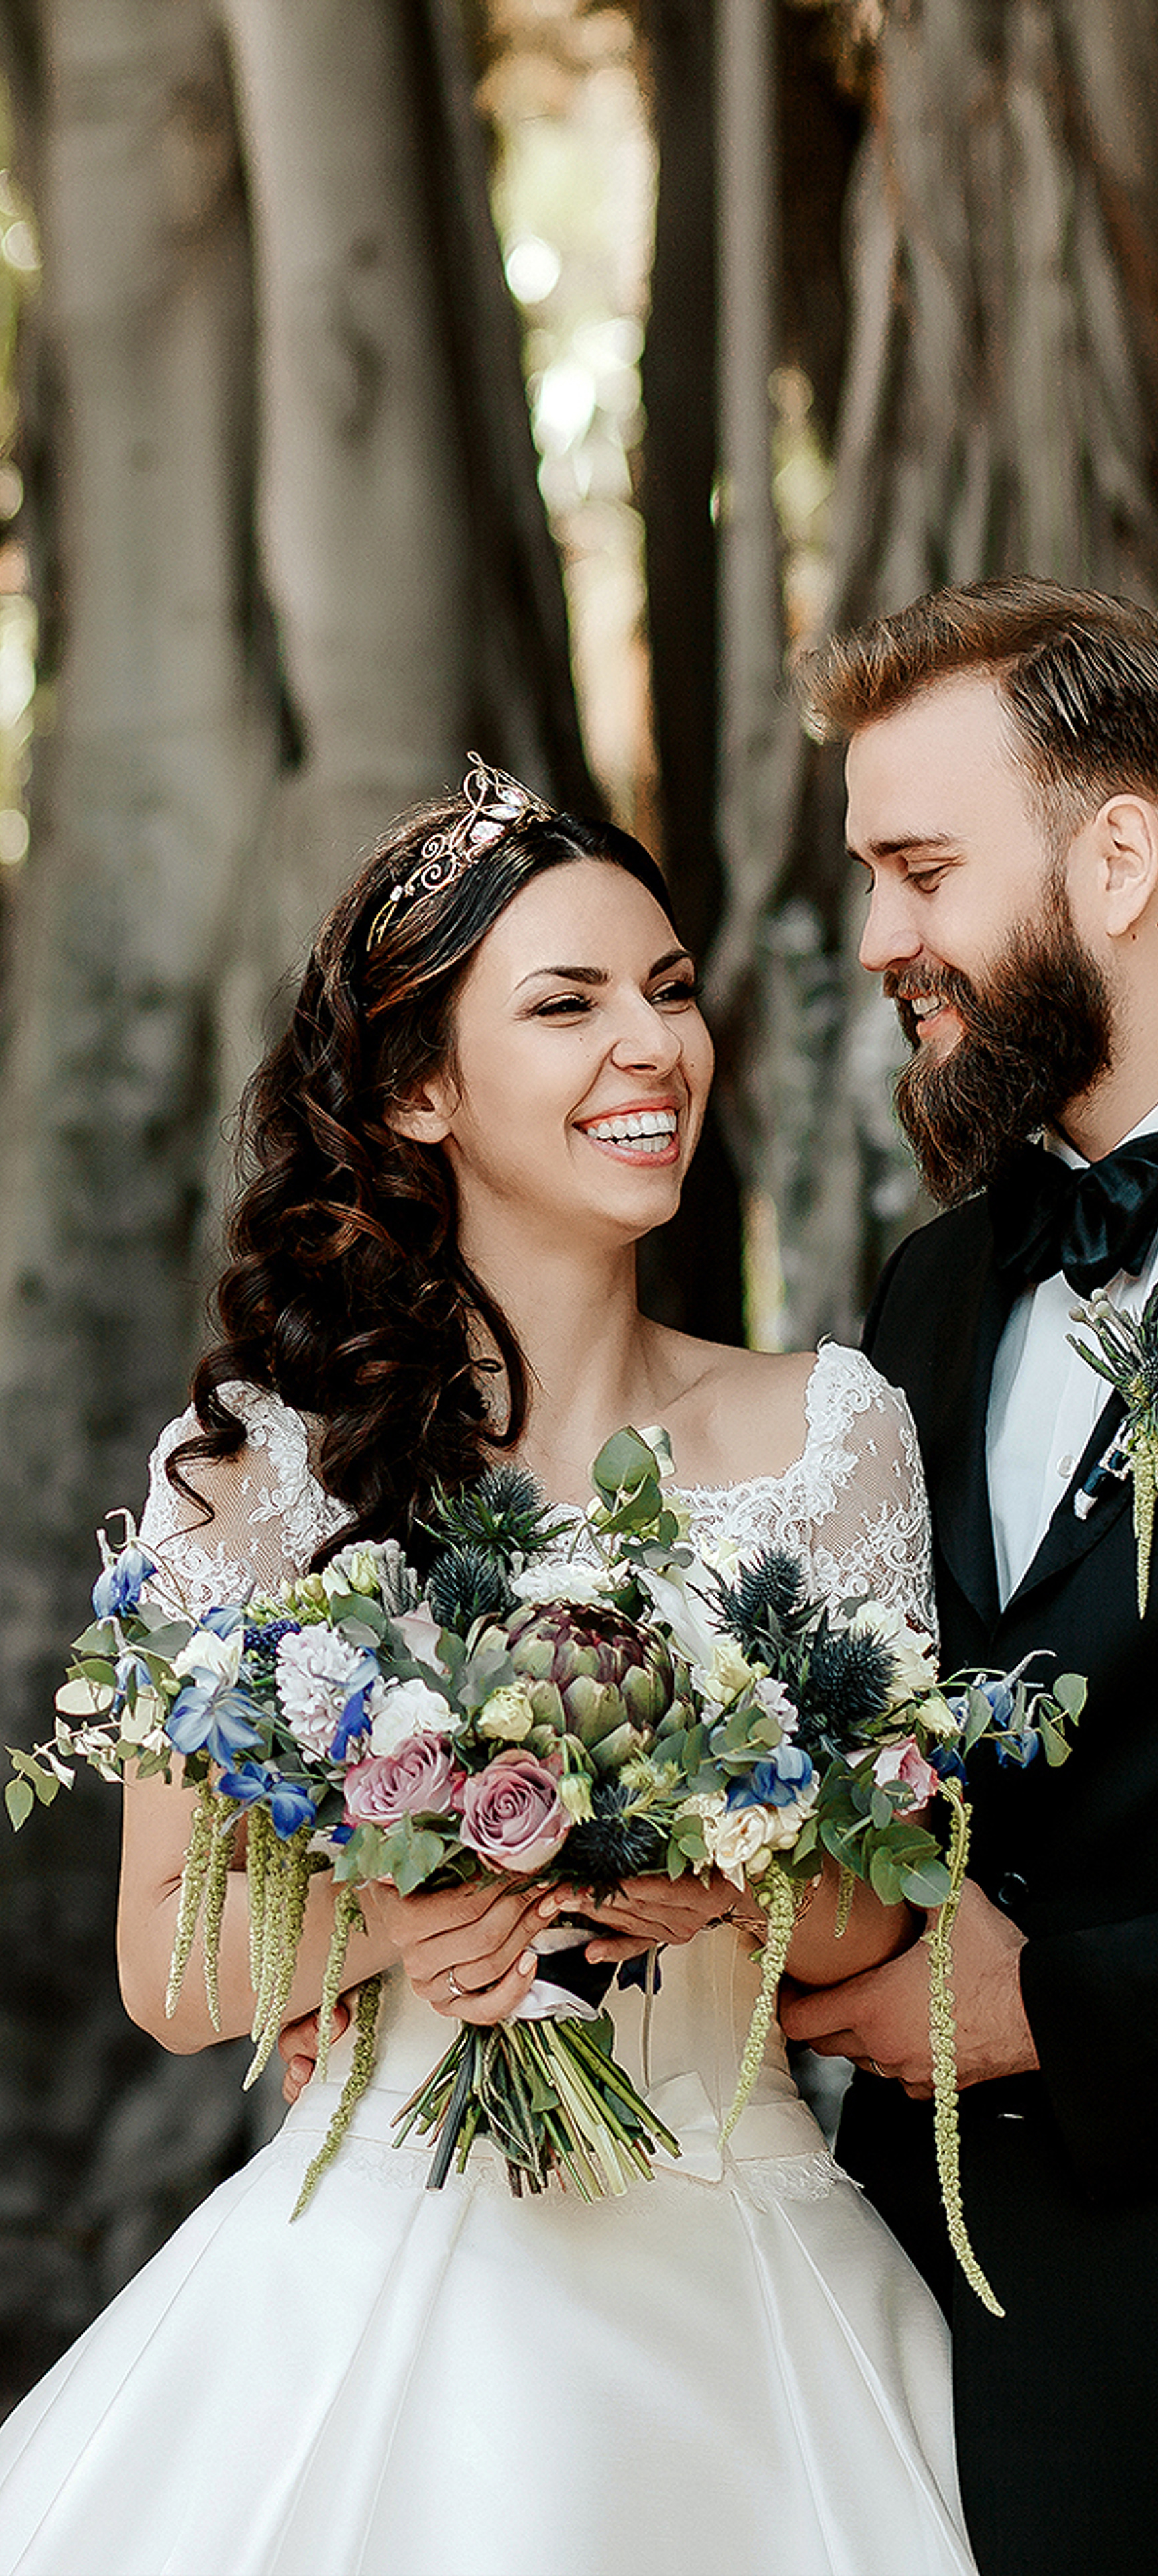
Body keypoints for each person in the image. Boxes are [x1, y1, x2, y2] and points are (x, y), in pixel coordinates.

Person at [0, 764, 973, 2576]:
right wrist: (398, 1918)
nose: (649, 1046)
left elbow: (874, 1923)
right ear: (420, 1090)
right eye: (566, 1005)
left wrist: (717, 1868)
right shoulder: (257, 1475)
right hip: (374, 2252)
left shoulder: (829, 1431)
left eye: (667, 988)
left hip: (740, 2259)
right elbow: (168, 1965)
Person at [778, 578, 1158, 2576]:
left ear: (1120, 858)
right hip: (908, 2314)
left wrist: (1064, 2015)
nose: (876, 942)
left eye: (921, 871)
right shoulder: (931, 1292)